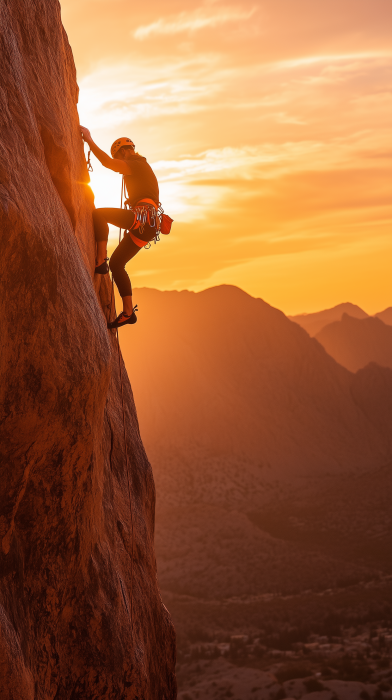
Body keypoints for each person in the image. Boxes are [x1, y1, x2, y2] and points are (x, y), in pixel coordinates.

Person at [80, 126, 160, 329]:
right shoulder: (143, 166)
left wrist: (89, 139)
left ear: (123, 152)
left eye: (119, 156)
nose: (120, 160)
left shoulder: (135, 163)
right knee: (118, 265)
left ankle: (100, 260)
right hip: (148, 224)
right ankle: (127, 312)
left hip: (141, 218)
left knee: (100, 214)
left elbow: (108, 163)